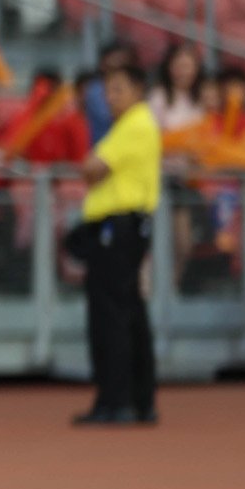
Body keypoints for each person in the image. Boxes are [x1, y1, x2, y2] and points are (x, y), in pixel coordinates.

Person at [72, 61, 160, 426]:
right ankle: (138, 400)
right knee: (130, 312)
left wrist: (91, 167)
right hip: (125, 227)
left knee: (112, 315)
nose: (110, 97)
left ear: (138, 90)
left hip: (118, 227)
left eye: (118, 89)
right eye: (107, 90)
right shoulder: (130, 124)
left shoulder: (135, 123)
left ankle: (117, 400)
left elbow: (93, 168)